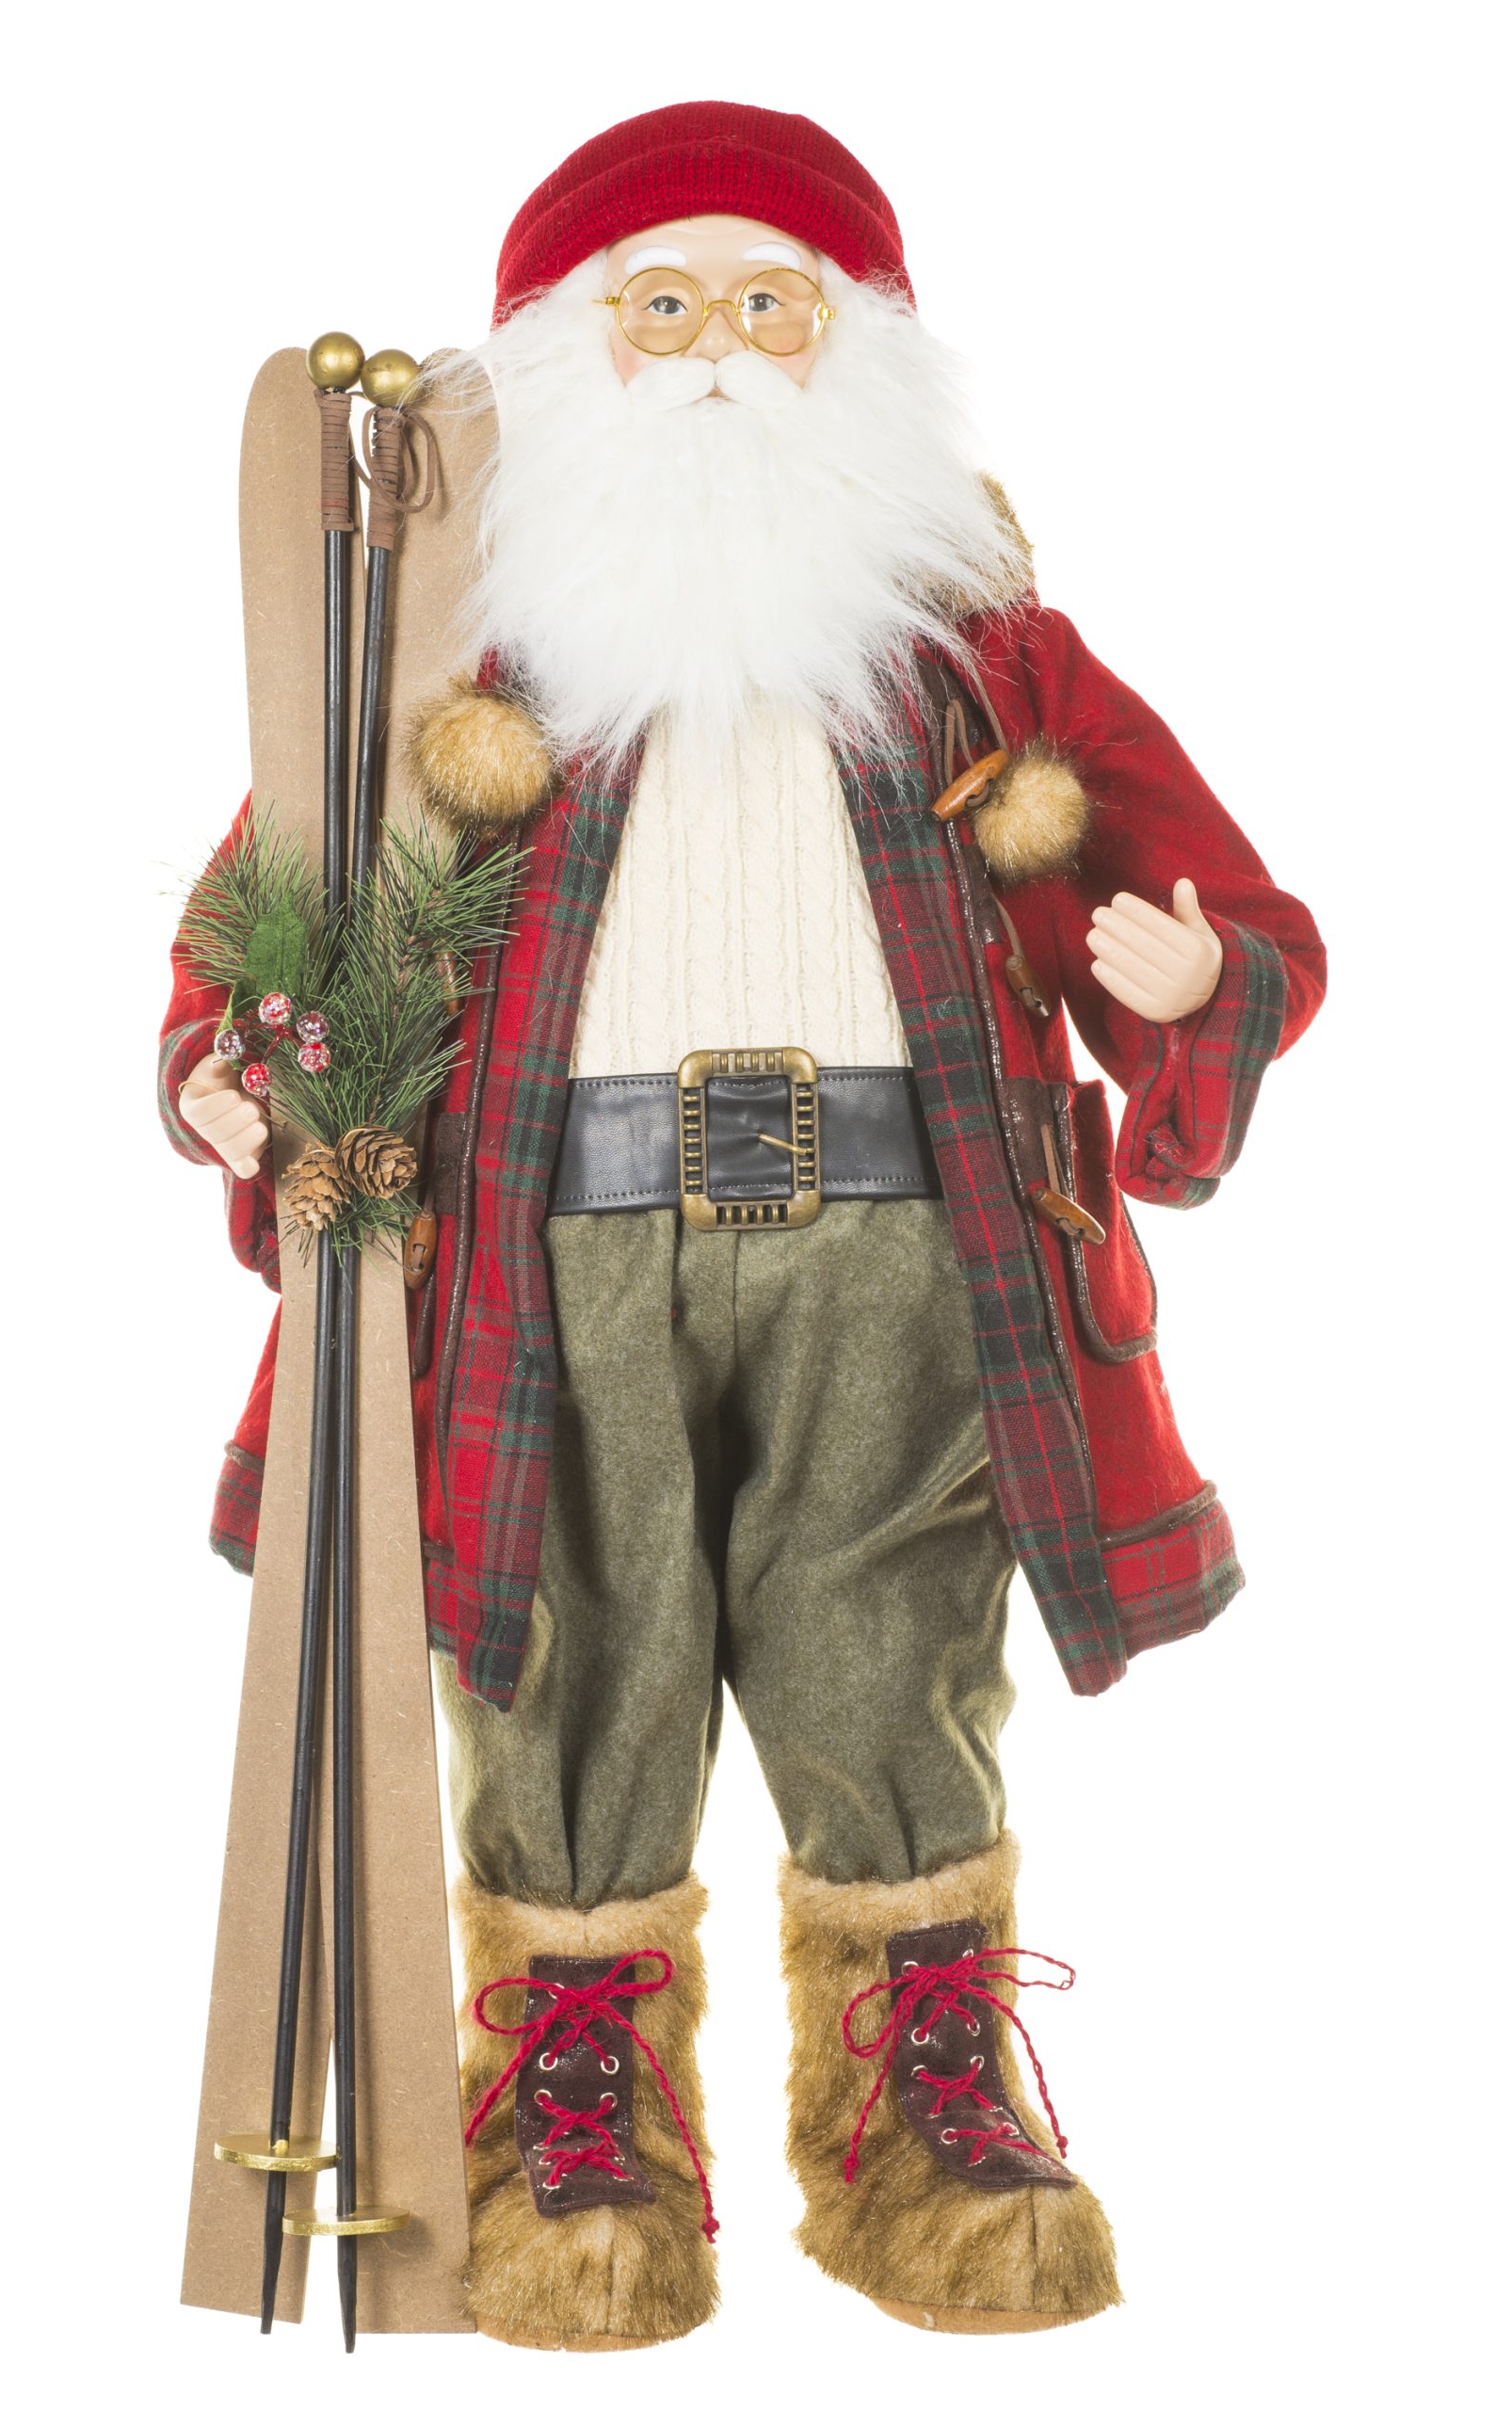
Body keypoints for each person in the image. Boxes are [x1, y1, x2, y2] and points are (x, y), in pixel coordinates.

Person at [160, 101, 1325, 2351]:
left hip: (902, 1236)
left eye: (768, 309)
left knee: (889, 1656)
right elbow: (265, 917)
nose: (712, 354)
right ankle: (565, 2116)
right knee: (558, 1650)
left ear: (855, 346)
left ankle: (926, 2111)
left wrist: (1196, 979)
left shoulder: (986, 661)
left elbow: (1231, 901)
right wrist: (230, 1062)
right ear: (562, 359)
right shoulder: (448, 666)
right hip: (545, 1253)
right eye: (661, 308)